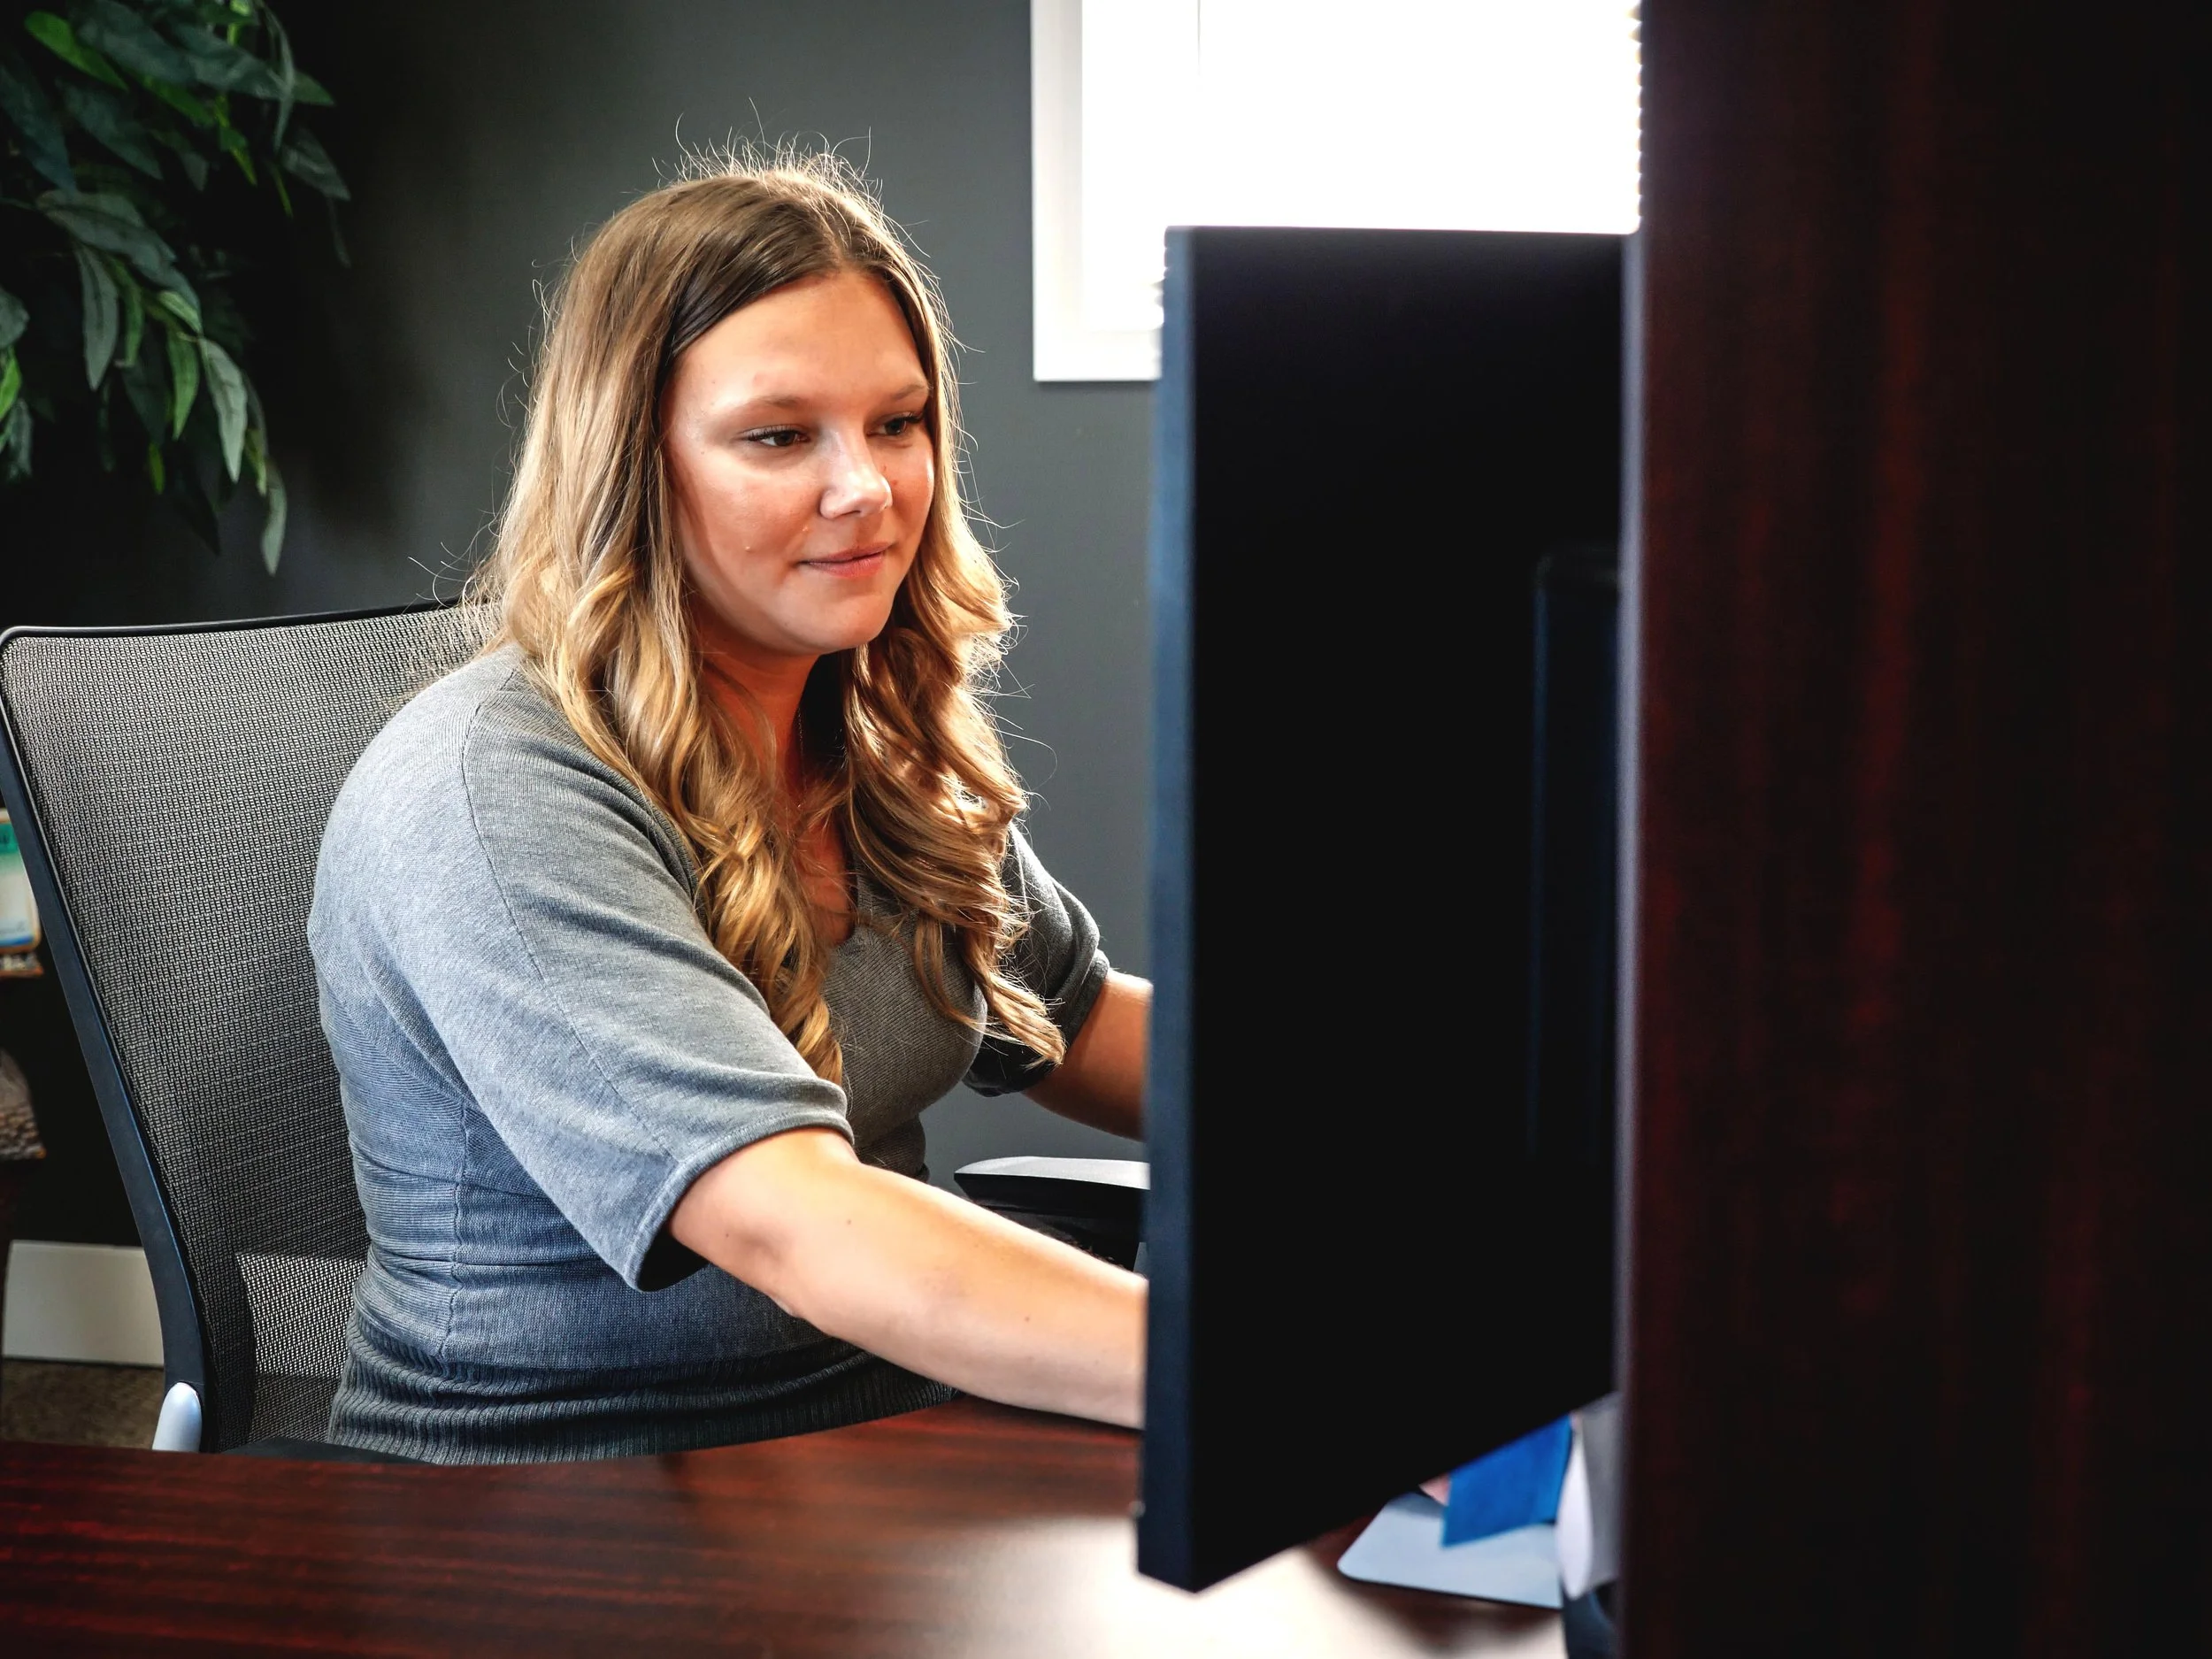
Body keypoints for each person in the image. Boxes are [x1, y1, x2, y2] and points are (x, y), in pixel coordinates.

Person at [309, 154, 1148, 1463]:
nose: (867, 487)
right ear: (635, 464)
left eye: (897, 421)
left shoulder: (861, 732)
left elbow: (1083, 1022)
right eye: (778, 436)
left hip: (874, 1440)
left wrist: (1458, 1129)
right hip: (561, 1506)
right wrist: (1271, 1384)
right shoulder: (497, 789)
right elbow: (790, 1220)